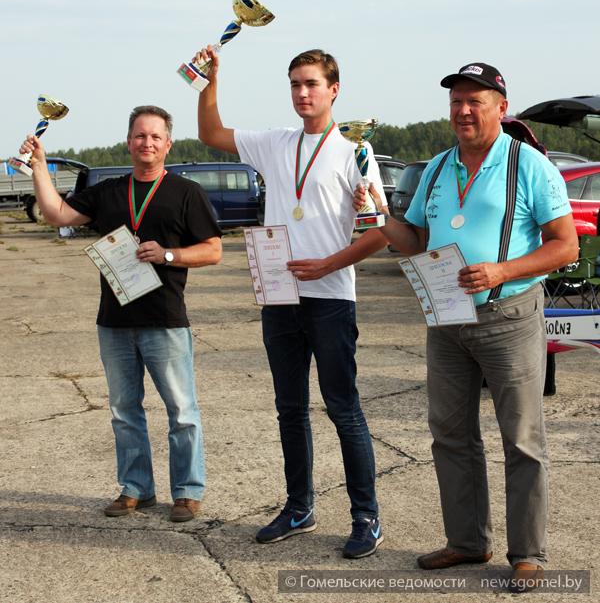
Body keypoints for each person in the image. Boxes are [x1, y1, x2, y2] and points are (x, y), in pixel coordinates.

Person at [355, 63, 578, 591]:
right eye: (456, 101)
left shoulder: (528, 165)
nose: (463, 110)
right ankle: (467, 541)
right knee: (450, 435)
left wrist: (502, 270)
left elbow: (565, 245)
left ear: (501, 107)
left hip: (509, 315)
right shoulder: (437, 167)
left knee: (521, 439)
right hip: (447, 319)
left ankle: (528, 554)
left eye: (475, 101)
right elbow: (414, 240)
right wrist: (378, 217)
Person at [196, 45, 389, 558]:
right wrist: (210, 81)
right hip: (280, 297)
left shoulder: (354, 150)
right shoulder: (275, 142)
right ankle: (299, 507)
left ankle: (366, 517)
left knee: (343, 409)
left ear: (334, 90)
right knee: (290, 409)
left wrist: (329, 264)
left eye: (311, 84)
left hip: (330, 298)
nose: (302, 93)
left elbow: (381, 232)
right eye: (295, 85)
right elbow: (211, 134)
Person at [19, 105, 222, 522]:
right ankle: (135, 488)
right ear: (128, 141)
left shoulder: (186, 192)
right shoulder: (109, 191)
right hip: (114, 321)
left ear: (167, 144)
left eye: (155, 136)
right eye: (139, 136)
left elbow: (213, 250)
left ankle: (187, 492)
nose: (147, 143)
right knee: (124, 411)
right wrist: (39, 166)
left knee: (182, 411)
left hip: (165, 319)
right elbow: (57, 214)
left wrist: (168, 255)